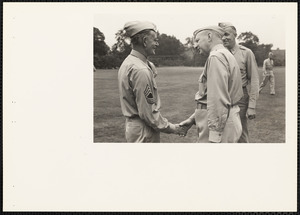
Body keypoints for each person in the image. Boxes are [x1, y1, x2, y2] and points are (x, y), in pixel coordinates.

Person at [118, 21, 187, 143]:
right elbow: (148, 114)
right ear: (145, 41)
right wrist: (173, 128)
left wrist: (148, 65)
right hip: (145, 132)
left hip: (134, 129)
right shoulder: (141, 70)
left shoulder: (129, 62)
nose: (157, 44)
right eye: (154, 40)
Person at [179, 26, 243, 143]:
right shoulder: (225, 54)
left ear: (209, 36)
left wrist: (215, 133)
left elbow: (218, 99)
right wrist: (193, 119)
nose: (195, 45)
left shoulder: (216, 57)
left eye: (197, 40)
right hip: (228, 119)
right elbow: (212, 96)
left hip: (220, 125)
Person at [218, 22, 260, 143]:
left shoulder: (246, 53)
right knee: (222, 133)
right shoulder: (218, 54)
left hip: (240, 98)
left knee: (240, 132)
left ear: (235, 35)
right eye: (221, 35)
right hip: (221, 97)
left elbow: (254, 80)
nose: (224, 38)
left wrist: (252, 106)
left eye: (226, 34)